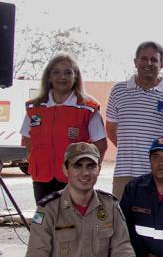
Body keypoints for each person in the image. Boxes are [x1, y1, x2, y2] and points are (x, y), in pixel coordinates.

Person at [106, 41, 163, 199]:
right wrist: (131, 148)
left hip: (160, 176)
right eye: (144, 58)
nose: (148, 63)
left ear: (161, 65)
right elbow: (110, 130)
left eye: (154, 60)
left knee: (160, 215)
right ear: (135, 62)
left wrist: (160, 158)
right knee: (122, 215)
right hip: (124, 173)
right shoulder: (118, 91)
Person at [21, 53, 107, 203]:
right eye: (56, 72)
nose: (62, 77)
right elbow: (28, 141)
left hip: (76, 179)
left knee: (73, 217)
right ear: (49, 77)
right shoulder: (34, 108)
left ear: (75, 77)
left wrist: (89, 171)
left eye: (68, 72)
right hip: (42, 179)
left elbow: (101, 145)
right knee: (46, 216)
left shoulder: (87, 108)